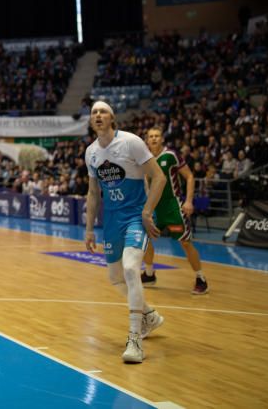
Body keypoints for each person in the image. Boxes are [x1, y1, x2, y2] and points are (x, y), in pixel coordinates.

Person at [84, 101, 167, 364]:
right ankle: (149, 316)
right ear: (91, 120)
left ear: (112, 118)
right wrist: (88, 228)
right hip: (111, 221)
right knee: (116, 279)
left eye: (103, 111)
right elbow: (93, 192)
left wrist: (146, 212)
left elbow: (159, 177)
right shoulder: (91, 152)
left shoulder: (131, 142)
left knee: (132, 269)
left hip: (135, 216)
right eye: (94, 112)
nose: (98, 115)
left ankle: (135, 340)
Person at [141, 128, 209, 295]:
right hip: (155, 209)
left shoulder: (171, 155)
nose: (154, 139)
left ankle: (201, 279)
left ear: (162, 139)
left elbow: (190, 177)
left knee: (185, 243)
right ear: (147, 141)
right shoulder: (145, 160)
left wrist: (188, 201)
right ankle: (149, 273)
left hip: (173, 207)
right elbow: (146, 184)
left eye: (157, 136)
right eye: (151, 137)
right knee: (143, 238)